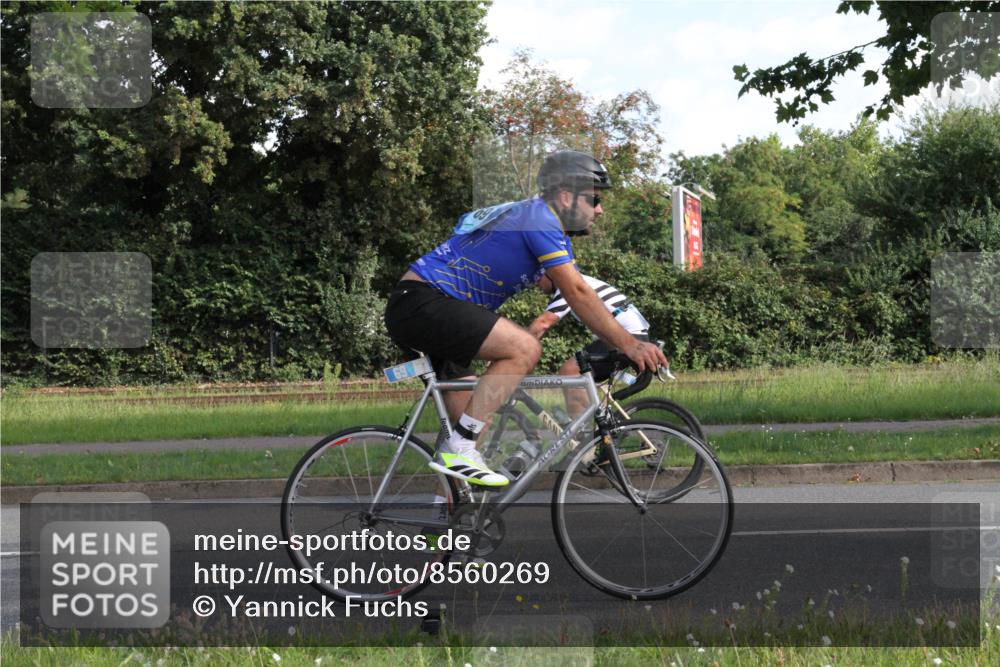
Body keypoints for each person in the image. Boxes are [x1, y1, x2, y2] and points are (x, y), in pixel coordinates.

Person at [384, 150, 668, 487]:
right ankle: (460, 449)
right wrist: (630, 345)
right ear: (566, 196)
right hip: (424, 303)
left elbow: (574, 290)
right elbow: (577, 293)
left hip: (431, 310)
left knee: (470, 428)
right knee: (524, 348)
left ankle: (446, 525)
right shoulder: (540, 218)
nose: (600, 209)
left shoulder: (539, 223)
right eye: (594, 199)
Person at [529, 273, 651, 417]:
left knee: (571, 372)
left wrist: (515, 350)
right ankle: (589, 428)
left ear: (551, 275)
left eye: (538, 276)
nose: (535, 282)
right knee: (577, 376)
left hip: (628, 337)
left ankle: (588, 431)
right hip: (626, 335)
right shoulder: (575, 280)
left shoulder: (567, 283)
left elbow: (543, 323)